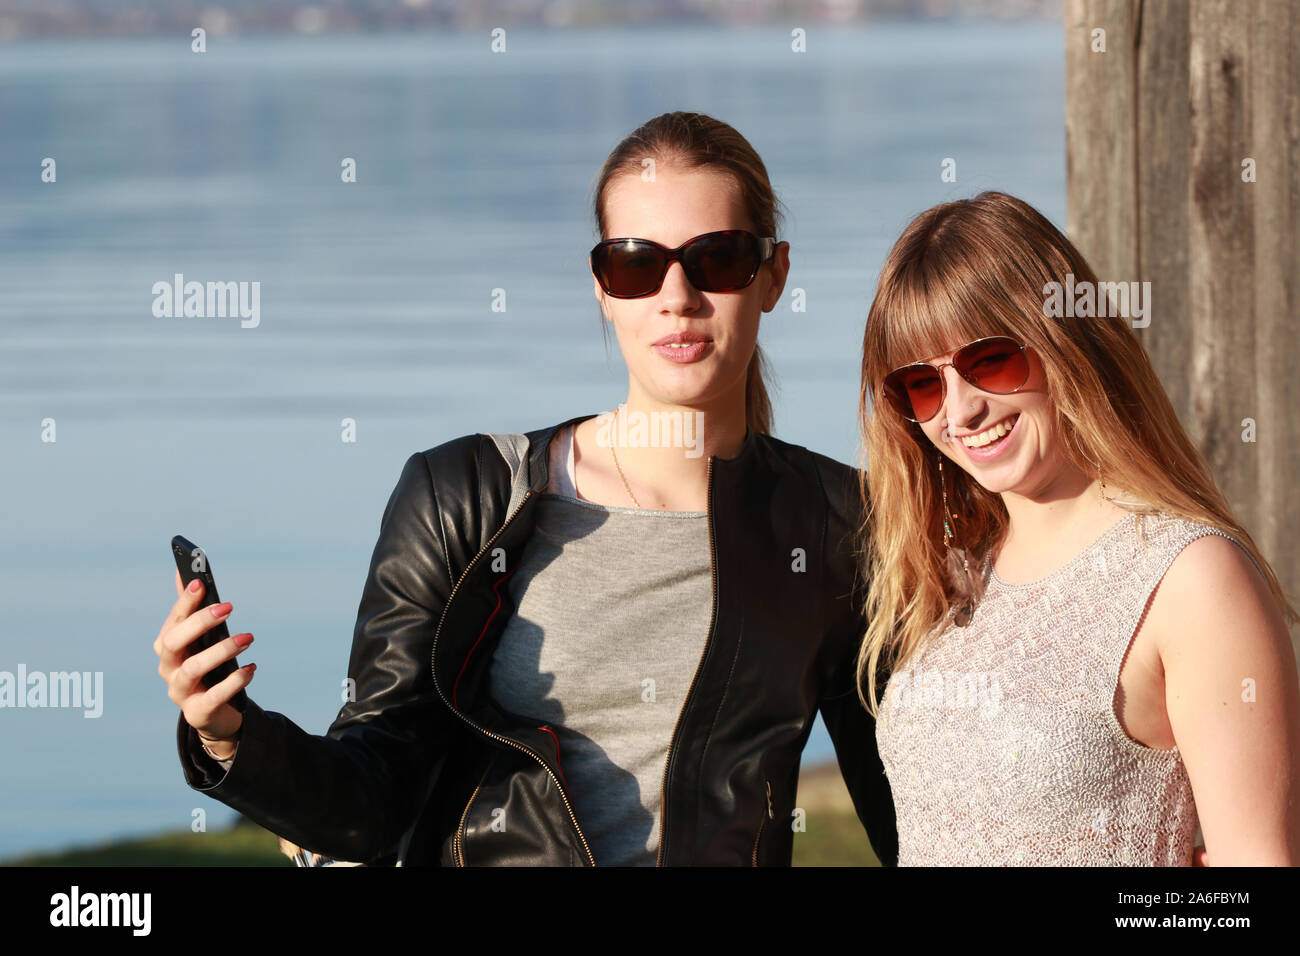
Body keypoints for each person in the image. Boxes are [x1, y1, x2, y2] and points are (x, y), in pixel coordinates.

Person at [154, 111, 898, 866]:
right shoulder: (464, 499)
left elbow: (905, 803)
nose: (676, 296)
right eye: (638, 264)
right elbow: (372, 799)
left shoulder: (843, 526)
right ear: (603, 288)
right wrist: (230, 736)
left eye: (718, 259)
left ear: (774, 276)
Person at [855, 190, 1300, 866]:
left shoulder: (1190, 578)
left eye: (990, 361)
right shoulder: (956, 572)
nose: (961, 410)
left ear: (1068, 343)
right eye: (921, 384)